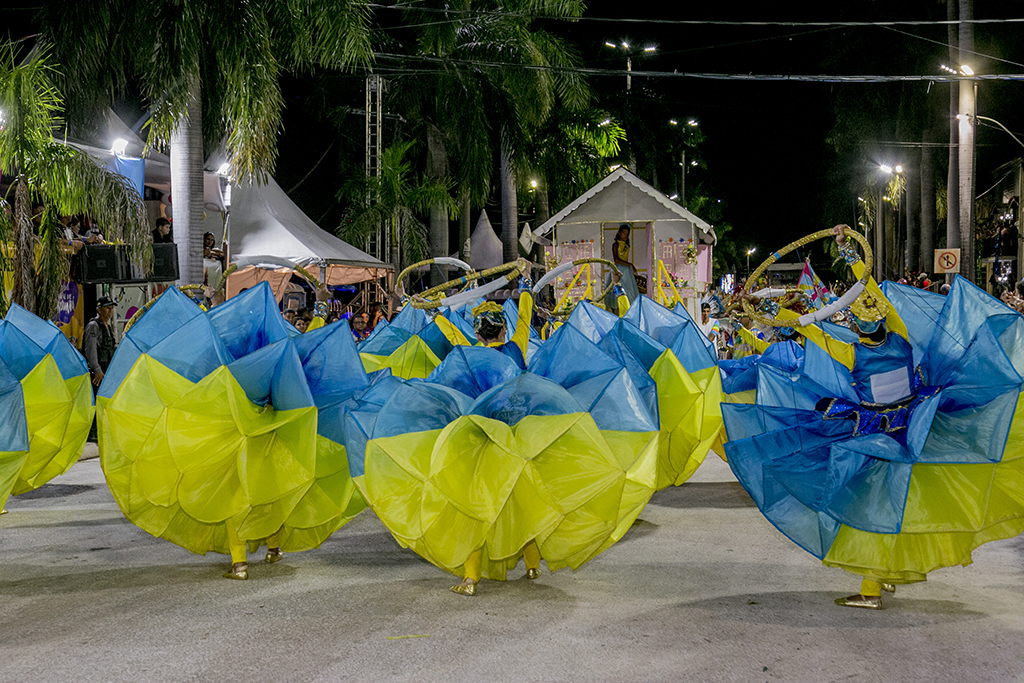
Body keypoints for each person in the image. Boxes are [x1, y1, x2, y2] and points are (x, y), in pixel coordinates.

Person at [604, 224, 640, 313]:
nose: (626, 235)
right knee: (617, 289)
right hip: (618, 269)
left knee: (628, 291)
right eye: (624, 233)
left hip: (626, 271)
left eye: (627, 234)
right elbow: (616, 259)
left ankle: (628, 309)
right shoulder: (616, 244)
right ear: (619, 233)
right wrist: (630, 265)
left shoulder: (627, 245)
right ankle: (616, 309)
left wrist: (629, 266)